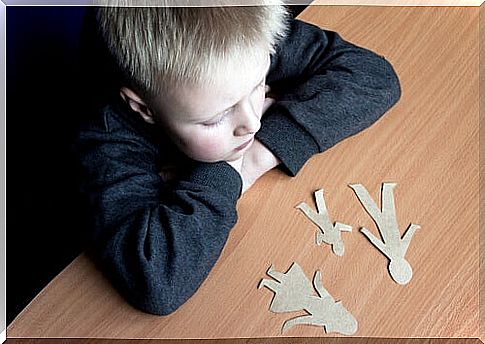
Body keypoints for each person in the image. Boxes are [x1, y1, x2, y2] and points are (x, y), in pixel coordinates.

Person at [76, 1, 401, 316]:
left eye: (259, 85)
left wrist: (255, 158)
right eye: (217, 118)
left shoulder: (241, 39)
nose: (253, 122)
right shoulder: (107, 135)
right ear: (143, 109)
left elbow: (374, 78)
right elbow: (156, 281)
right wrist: (224, 172)